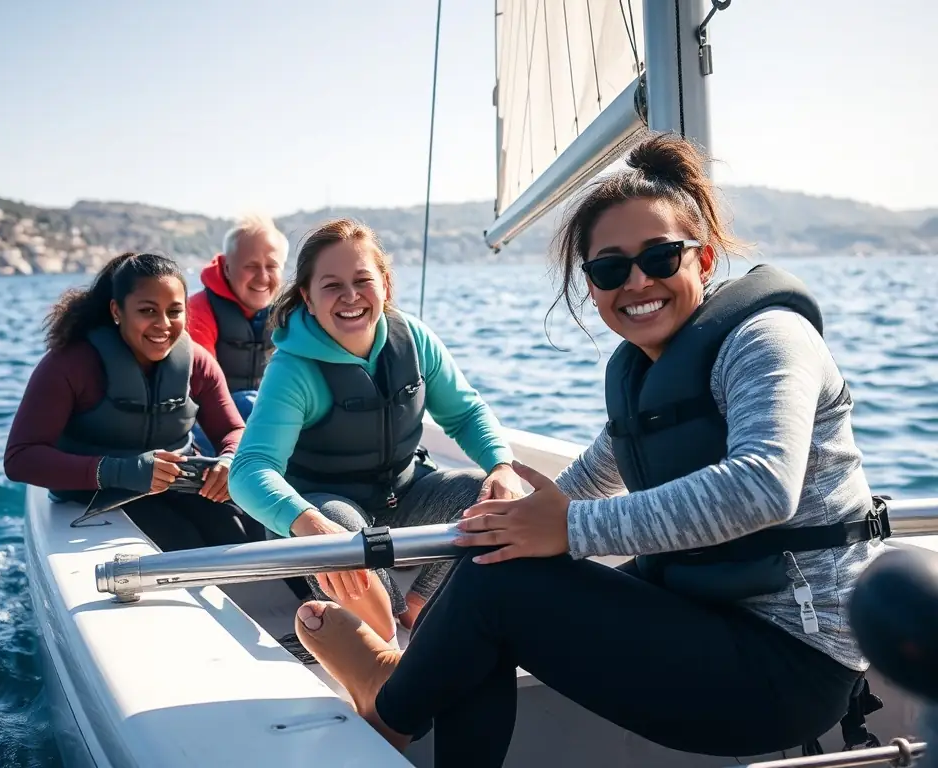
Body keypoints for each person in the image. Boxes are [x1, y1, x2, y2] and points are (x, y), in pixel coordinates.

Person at [288, 133, 892, 767]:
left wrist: (567, 528)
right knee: (499, 559)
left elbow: (764, 486)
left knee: (505, 587)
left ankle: (392, 706)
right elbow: (592, 476)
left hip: (790, 665)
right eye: (610, 268)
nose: (636, 281)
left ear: (705, 261)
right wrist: (515, 505)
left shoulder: (766, 339)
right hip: (712, 620)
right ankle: (405, 692)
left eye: (660, 257)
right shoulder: (648, 372)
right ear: (592, 284)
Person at [227, 217, 523, 645]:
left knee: (487, 493)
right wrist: (309, 524)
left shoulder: (416, 341)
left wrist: (501, 465)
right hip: (323, 515)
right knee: (343, 536)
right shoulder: (293, 370)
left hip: (400, 500)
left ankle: (419, 602)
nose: (350, 296)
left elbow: (465, 414)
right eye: (331, 285)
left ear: (384, 283)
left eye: (362, 279)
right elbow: (249, 470)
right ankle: (385, 641)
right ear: (307, 298)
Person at [4, 251, 258, 552]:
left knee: (240, 529)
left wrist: (229, 461)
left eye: (174, 311)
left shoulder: (197, 365)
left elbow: (233, 431)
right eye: (148, 311)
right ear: (117, 311)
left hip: (177, 485)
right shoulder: (69, 365)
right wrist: (122, 471)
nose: (163, 324)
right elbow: (20, 458)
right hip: (95, 495)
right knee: (179, 537)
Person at [186, 215, 288, 454]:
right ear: (228, 268)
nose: (263, 277)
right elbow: (198, 389)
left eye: (272, 266)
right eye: (251, 266)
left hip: (269, 421)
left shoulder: (293, 313)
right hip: (209, 424)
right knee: (249, 403)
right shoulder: (198, 310)